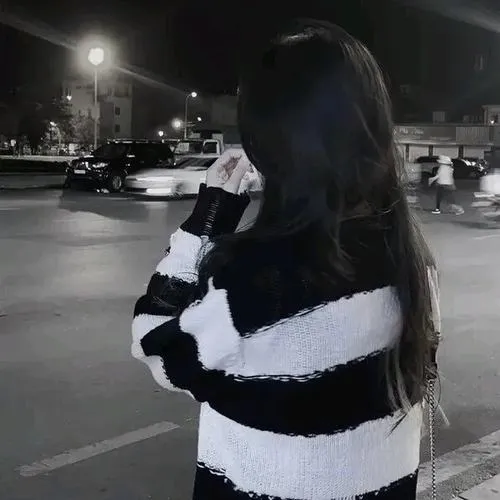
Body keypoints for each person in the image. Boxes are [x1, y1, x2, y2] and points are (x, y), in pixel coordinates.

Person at [132, 19, 439, 500]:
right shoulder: (411, 262)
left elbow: (155, 346)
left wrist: (210, 215)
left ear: (269, 142)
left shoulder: (259, 284)